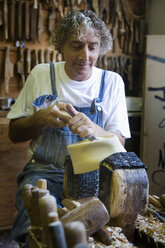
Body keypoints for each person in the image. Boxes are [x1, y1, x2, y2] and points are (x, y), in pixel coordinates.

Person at [7, 10, 130, 247]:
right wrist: (41, 117)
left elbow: (119, 142)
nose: (86, 55)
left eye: (93, 47)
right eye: (76, 46)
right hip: (45, 172)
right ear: (61, 45)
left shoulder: (112, 81)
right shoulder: (42, 74)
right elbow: (14, 133)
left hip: (96, 177)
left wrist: (95, 129)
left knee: (109, 234)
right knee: (36, 228)